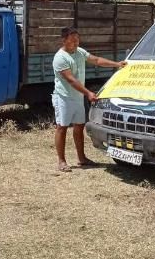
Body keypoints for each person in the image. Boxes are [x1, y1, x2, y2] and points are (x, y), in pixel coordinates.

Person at [52, 26, 126, 172]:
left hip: (78, 98)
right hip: (64, 98)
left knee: (79, 127)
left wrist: (116, 64)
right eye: (72, 40)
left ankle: (82, 158)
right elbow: (71, 80)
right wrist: (88, 93)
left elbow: (97, 60)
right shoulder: (60, 58)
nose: (76, 42)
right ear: (64, 40)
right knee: (62, 127)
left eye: (77, 39)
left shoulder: (79, 52)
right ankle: (61, 161)